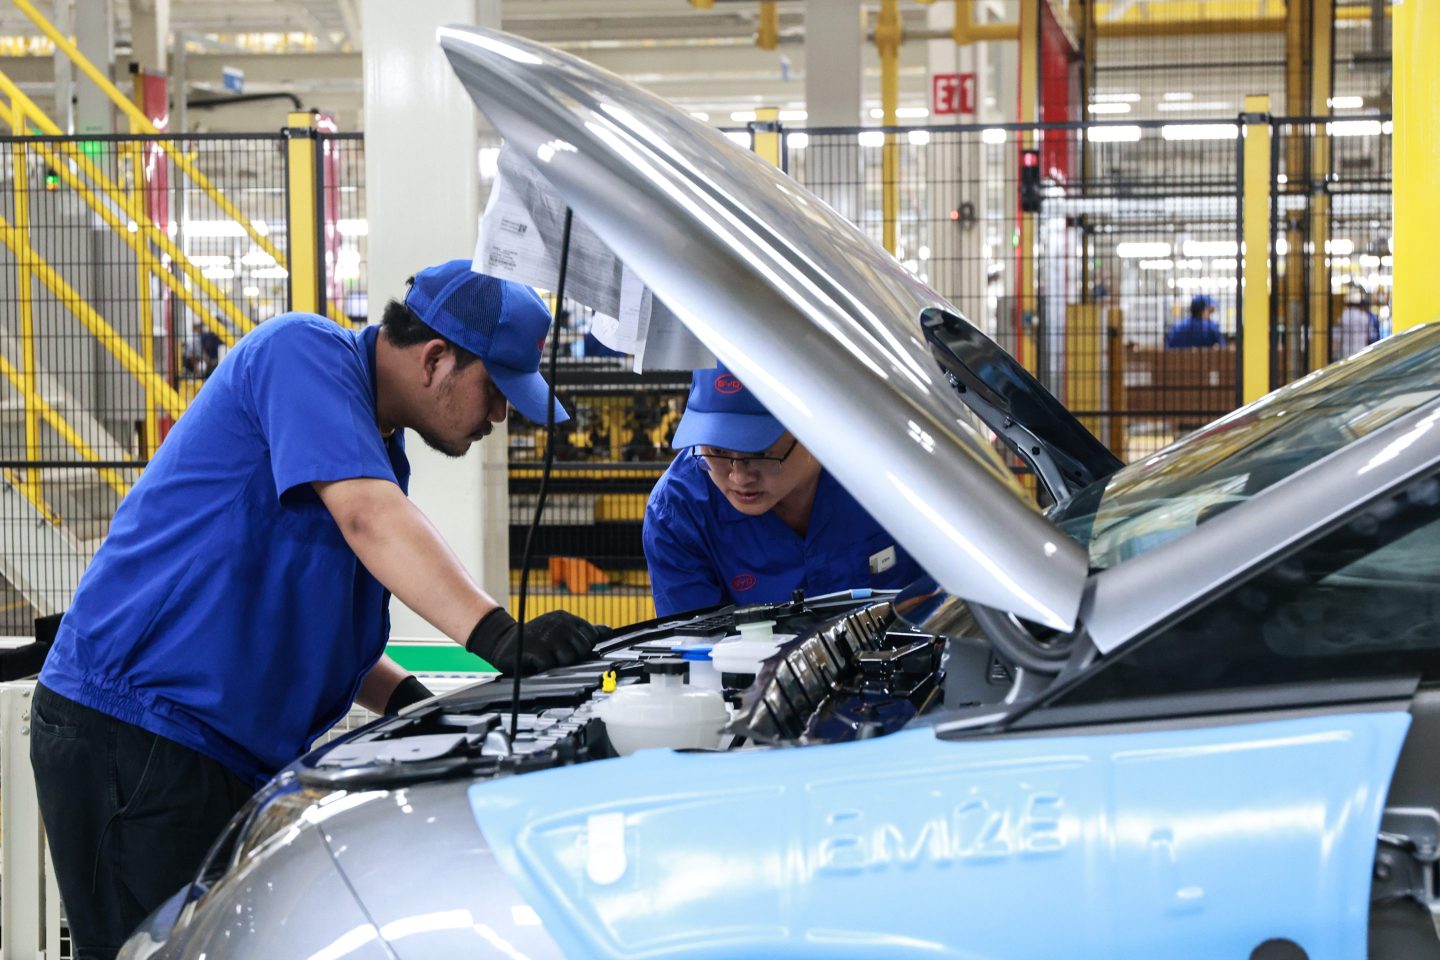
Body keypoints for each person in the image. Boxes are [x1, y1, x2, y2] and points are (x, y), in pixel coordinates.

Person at [30, 260, 606, 959]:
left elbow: (325, 630)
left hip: (206, 748)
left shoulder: (377, 453)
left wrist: (417, 707)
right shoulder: (301, 352)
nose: (499, 416)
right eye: (495, 391)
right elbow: (370, 521)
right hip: (139, 732)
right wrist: (499, 635)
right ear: (436, 360)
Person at [643, 362, 925, 616]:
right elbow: (695, 653)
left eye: (761, 452)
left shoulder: (892, 472)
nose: (739, 477)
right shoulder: (678, 513)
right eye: (715, 450)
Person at [1334, 290, 1381, 360]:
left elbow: (1336, 337)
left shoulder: (1343, 316)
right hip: (1361, 352)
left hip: (1345, 352)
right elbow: (1371, 336)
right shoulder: (1365, 317)